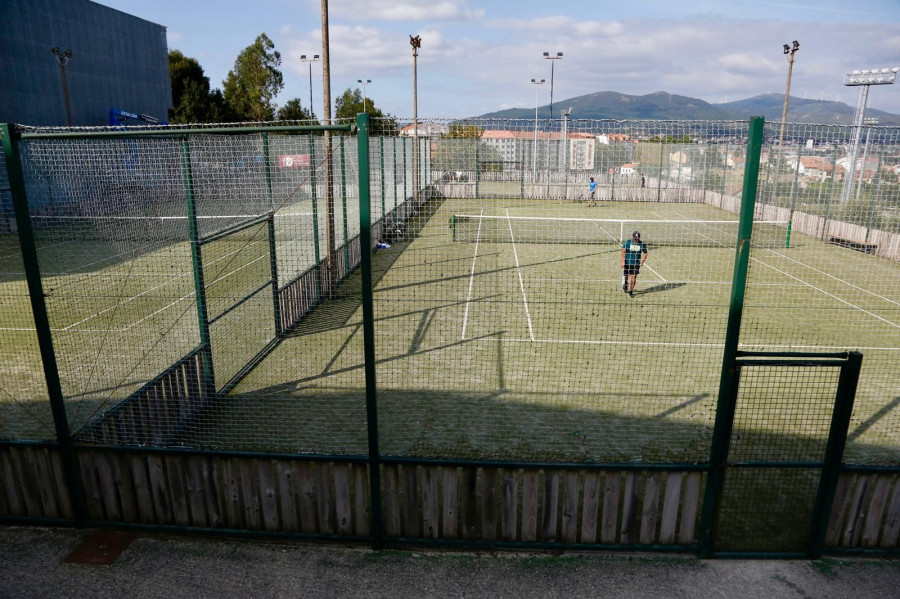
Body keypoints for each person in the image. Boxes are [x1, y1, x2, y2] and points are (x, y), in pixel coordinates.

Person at [621, 230, 648, 297]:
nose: (636, 240)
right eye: (635, 239)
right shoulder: (628, 242)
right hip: (627, 262)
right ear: (632, 237)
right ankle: (625, 283)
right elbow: (623, 252)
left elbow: (645, 253)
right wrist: (623, 262)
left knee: (633, 277)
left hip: (636, 264)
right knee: (626, 276)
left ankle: (630, 291)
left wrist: (642, 261)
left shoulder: (642, 244)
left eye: (637, 239)